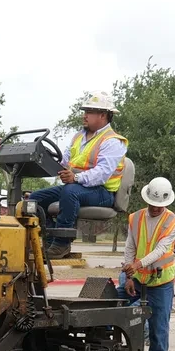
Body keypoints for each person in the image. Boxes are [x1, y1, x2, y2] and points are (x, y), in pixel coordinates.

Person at [28, 91, 128, 259]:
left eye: (89, 112)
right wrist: (45, 160)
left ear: (103, 115)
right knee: (35, 199)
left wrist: (75, 178)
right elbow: (65, 161)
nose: (84, 116)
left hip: (102, 192)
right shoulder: (78, 137)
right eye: (85, 111)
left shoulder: (113, 141)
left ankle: (62, 243)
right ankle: (50, 239)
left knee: (70, 191)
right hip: (78, 187)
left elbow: (102, 174)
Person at [120, 177, 175, 351]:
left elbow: (160, 250)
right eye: (152, 205)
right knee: (119, 313)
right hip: (137, 280)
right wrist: (129, 275)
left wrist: (137, 265)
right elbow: (130, 246)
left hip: (160, 283)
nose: (155, 209)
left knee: (159, 328)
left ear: (166, 203)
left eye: (159, 206)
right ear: (147, 199)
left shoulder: (172, 222)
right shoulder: (136, 218)